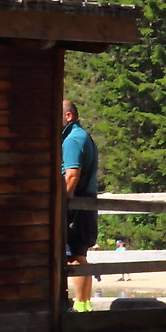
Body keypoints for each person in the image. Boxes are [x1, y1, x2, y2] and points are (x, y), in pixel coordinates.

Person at [62, 98, 101, 313]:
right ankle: (84, 304)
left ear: (68, 116)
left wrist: (62, 204)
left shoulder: (71, 139)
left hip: (75, 209)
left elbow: (71, 176)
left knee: (72, 257)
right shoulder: (84, 136)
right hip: (86, 205)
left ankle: (79, 305)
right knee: (80, 255)